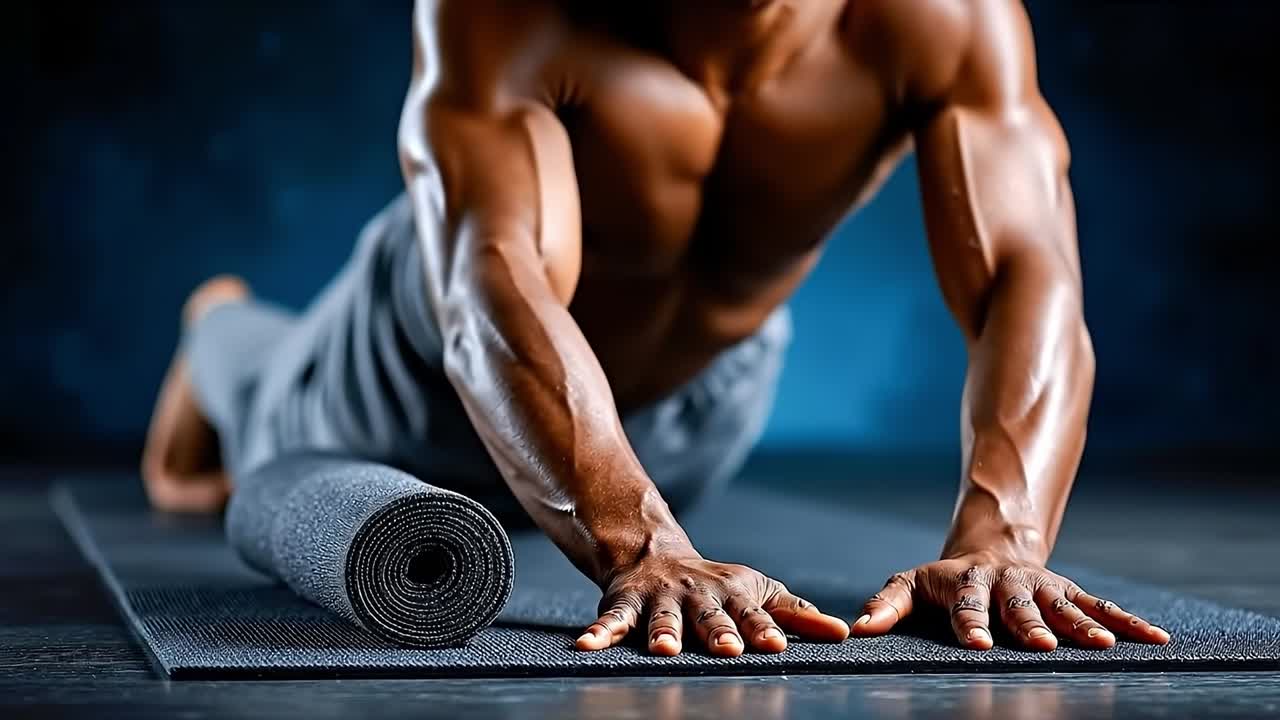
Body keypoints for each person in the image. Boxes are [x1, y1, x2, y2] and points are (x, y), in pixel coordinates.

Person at [142, 0, 1171, 658]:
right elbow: (487, 289)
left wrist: (1001, 537)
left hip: (701, 410)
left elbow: (1026, 274)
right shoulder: (509, 15)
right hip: (417, 374)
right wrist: (640, 545)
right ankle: (217, 322)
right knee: (263, 393)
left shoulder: (939, 19)